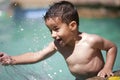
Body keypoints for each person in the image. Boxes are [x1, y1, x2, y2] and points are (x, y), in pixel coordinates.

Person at [0, 1, 117, 80]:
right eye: (50, 31)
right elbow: (36, 56)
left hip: (100, 77)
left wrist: (107, 67)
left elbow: (111, 47)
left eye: (56, 29)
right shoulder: (58, 45)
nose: (53, 35)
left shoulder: (91, 40)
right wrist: (11, 59)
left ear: (72, 26)